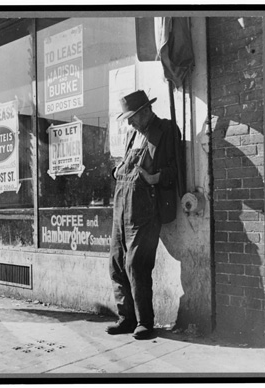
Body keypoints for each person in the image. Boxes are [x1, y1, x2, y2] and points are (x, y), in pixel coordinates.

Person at [107, 90, 182, 340]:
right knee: (117, 263)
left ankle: (144, 322)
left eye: (133, 117)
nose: (129, 122)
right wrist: (117, 169)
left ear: (146, 111)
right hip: (122, 205)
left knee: (136, 264)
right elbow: (127, 166)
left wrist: (154, 178)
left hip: (147, 208)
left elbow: (176, 170)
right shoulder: (132, 135)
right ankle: (126, 318)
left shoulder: (166, 130)